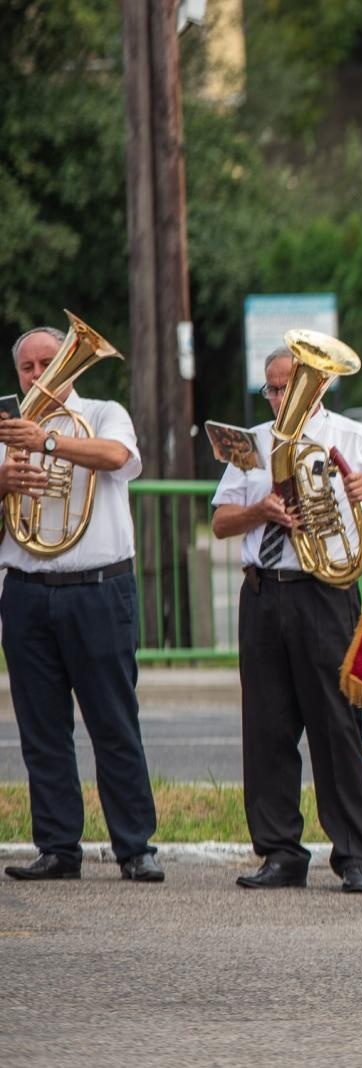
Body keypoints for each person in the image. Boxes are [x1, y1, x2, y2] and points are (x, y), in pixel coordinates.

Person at [210, 345, 362, 893]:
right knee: (266, 727)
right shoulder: (252, 444)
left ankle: (354, 855)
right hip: (264, 592)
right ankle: (280, 853)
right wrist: (259, 511)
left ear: (317, 386)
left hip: (326, 593)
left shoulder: (354, 438)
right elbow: (221, 523)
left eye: (288, 385)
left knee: (336, 727)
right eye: (270, 387)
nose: (278, 396)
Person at [0, 326, 164, 883]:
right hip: (25, 591)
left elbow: (118, 456)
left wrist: (45, 442)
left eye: (50, 361)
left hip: (98, 588)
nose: (39, 374)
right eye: (28, 367)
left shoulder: (102, 409)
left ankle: (136, 847)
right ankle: (57, 847)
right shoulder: (6, 429)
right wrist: (5, 480)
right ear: (17, 373)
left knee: (113, 721)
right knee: (41, 729)